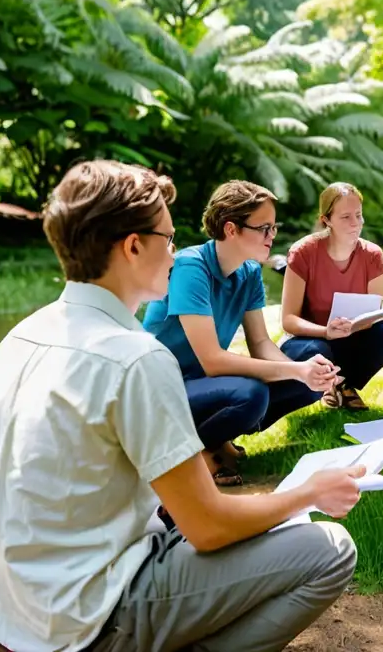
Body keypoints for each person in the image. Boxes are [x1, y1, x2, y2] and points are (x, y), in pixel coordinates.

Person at [0, 161, 363, 652]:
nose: (176, 254)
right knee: (330, 552)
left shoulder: (20, 336)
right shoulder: (136, 357)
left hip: (10, 614)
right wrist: (308, 493)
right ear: (134, 247)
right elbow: (210, 527)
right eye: (169, 239)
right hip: (88, 620)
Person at [144, 180, 340, 486]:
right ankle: (192, 454)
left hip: (204, 384)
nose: (272, 236)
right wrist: (294, 371)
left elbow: (260, 342)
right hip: (163, 389)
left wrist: (303, 372)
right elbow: (212, 360)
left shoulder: (248, 272)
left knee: (309, 364)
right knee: (250, 394)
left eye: (274, 227)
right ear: (231, 229)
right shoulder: (190, 268)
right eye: (264, 228)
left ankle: (216, 439)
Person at [279, 183, 383, 411]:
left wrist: (353, 326)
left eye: (358, 215)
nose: (356, 223)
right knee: (318, 351)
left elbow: (374, 312)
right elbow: (288, 320)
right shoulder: (303, 252)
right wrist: (327, 331)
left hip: (352, 335)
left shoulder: (373, 255)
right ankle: (332, 385)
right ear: (326, 220)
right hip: (311, 340)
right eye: (345, 217)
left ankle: (344, 384)